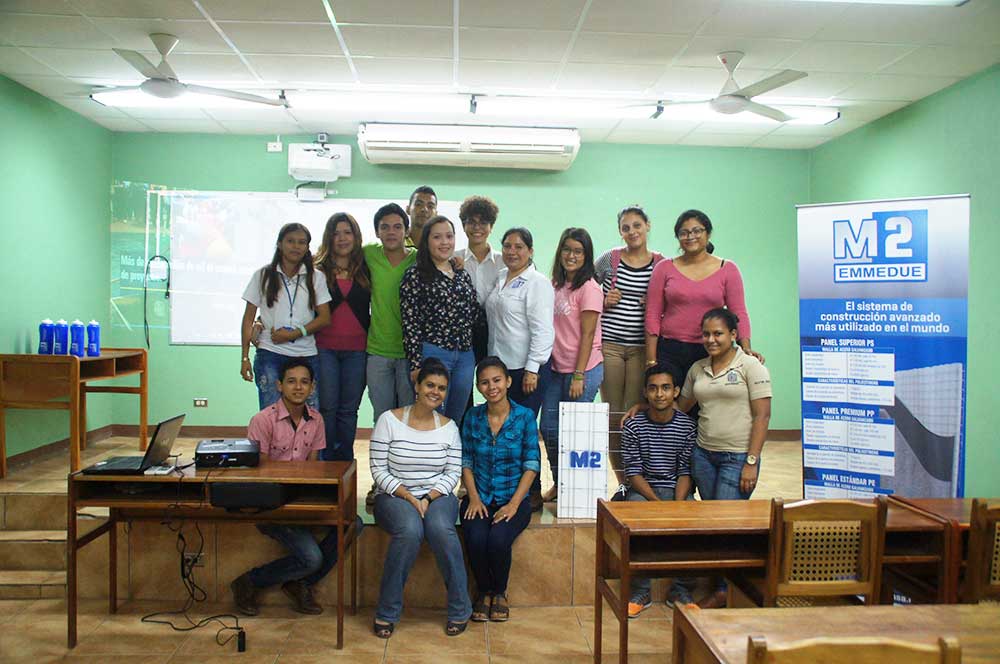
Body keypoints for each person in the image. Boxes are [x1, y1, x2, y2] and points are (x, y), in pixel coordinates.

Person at [370, 358, 471, 638]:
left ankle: (460, 608)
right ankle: (387, 612)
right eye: (430, 384)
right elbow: (378, 469)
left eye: (441, 387)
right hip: (394, 497)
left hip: (438, 497)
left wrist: (428, 497)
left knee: (440, 528)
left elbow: (453, 472)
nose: (435, 392)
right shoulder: (388, 421)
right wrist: (408, 496)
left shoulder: (449, 427)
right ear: (416, 385)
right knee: (410, 529)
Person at [678, 308, 771, 608]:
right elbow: (680, 407)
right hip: (703, 455)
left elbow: (762, 416)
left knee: (725, 523)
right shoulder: (698, 368)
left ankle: (724, 591)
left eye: (718, 333)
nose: (711, 339)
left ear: (733, 335)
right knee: (714, 520)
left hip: (737, 458)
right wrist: (644, 409)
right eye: (706, 334)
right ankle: (723, 584)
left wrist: (751, 462)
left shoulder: (751, 366)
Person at [230, 359, 337, 616]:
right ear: (279, 386)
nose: (298, 387)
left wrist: (313, 501)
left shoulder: (317, 420)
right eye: (291, 381)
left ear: (312, 387)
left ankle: (300, 583)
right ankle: (250, 581)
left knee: (351, 523)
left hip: (302, 501)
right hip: (271, 505)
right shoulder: (262, 420)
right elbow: (261, 473)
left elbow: (313, 468)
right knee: (312, 558)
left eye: (304, 382)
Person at [645, 209, 761, 394]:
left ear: (708, 233)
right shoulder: (664, 268)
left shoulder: (728, 269)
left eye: (697, 230)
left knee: (705, 407)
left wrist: (746, 348)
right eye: (684, 232)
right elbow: (652, 314)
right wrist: (651, 360)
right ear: (678, 237)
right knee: (669, 409)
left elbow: (738, 313)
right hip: (669, 350)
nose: (691, 236)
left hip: (711, 350)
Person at [461, 357, 540, 622]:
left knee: (497, 540)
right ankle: (484, 592)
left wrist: (514, 504)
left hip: (513, 499)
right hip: (479, 496)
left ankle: (500, 593)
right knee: (475, 538)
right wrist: (472, 497)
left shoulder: (525, 417)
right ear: (478, 387)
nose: (491, 386)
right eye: (484, 382)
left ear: (508, 381)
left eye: (496, 380)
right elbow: (466, 461)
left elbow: (531, 464)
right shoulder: (472, 417)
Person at [594, 206, 665, 488]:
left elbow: (672, 300)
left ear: (648, 226)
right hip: (609, 345)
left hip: (641, 349)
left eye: (637, 225)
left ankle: (641, 479)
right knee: (612, 416)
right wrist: (603, 299)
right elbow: (582, 292)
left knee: (633, 415)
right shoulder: (609, 260)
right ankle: (623, 483)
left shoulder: (661, 264)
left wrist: (657, 304)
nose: (632, 231)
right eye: (626, 227)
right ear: (620, 231)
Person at [485, 227, 554, 510]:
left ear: (530, 251)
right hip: (500, 366)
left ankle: (533, 490)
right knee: (501, 430)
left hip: (525, 370)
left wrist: (533, 368)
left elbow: (543, 330)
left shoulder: (537, 282)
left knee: (522, 431)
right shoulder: (500, 278)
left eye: (519, 246)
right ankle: (505, 487)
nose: (512, 251)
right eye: (508, 246)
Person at [621, 363, 696, 617]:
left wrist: (677, 504)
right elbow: (633, 473)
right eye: (653, 389)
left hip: (676, 489)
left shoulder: (687, 427)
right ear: (645, 392)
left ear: (676, 392)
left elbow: (685, 471)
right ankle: (641, 591)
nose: (659, 394)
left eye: (665, 388)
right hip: (644, 490)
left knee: (695, 519)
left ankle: (681, 590)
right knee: (636, 515)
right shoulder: (633, 426)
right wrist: (656, 503)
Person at [539, 227, 604, 502]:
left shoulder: (589, 288)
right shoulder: (553, 285)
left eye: (578, 251)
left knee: (575, 432)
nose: (571, 255)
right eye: (567, 249)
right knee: (549, 428)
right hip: (555, 368)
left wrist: (579, 375)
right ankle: (561, 482)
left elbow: (588, 334)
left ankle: (577, 491)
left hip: (584, 369)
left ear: (586, 255)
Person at [240, 223, 331, 410]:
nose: (296, 246)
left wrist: (295, 334)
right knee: (271, 414)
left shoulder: (316, 277)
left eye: (301, 242)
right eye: (290, 241)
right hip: (270, 353)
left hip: (306, 354)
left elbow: (324, 318)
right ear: (280, 244)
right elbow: (248, 319)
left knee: (309, 416)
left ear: (307, 247)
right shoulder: (263, 275)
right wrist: (244, 358)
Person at [399, 215, 478, 423]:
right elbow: (410, 323)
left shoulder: (461, 273)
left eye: (449, 236)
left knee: (456, 416)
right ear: (426, 241)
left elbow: (473, 313)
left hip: (464, 356)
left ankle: (450, 455)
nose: (445, 242)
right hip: (433, 353)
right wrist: (416, 363)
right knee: (431, 415)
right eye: (437, 237)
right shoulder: (414, 275)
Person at [364, 204, 418, 505]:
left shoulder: (418, 258)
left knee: (408, 420)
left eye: (397, 226)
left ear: (406, 231)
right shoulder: (368, 254)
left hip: (410, 354)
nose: (391, 232)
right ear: (377, 231)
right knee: (382, 420)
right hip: (378, 353)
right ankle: (380, 483)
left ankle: (407, 483)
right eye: (385, 227)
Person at [314, 212, 370, 461]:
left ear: (356, 236)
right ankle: (325, 464)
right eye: (336, 233)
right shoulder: (316, 269)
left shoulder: (366, 268)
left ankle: (344, 463)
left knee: (349, 411)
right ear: (329, 237)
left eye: (347, 232)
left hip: (358, 350)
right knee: (327, 408)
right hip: (324, 348)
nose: (342, 238)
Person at [456, 195, 502, 369]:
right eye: (471, 222)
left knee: (493, 382)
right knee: (463, 385)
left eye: (483, 222)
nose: (477, 228)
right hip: (463, 332)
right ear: (463, 225)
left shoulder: (504, 261)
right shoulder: (453, 259)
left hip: (495, 330)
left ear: (491, 227)